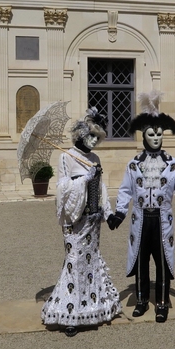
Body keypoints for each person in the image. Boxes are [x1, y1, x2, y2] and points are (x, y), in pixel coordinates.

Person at [108, 90, 175, 323]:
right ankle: (140, 300)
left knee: (161, 260)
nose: (156, 138)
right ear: (143, 136)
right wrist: (119, 213)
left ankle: (161, 303)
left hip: (162, 220)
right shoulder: (133, 164)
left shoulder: (172, 164)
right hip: (140, 219)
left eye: (159, 134)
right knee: (141, 259)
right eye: (151, 134)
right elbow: (125, 190)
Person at [41, 107, 122, 337]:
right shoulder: (66, 157)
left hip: (93, 221)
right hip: (76, 221)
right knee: (74, 262)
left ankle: (94, 307)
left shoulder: (94, 158)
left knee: (91, 260)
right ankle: (70, 313)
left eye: (97, 137)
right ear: (80, 135)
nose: (94, 141)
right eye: (91, 136)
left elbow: (101, 188)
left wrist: (109, 213)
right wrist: (83, 179)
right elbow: (62, 190)